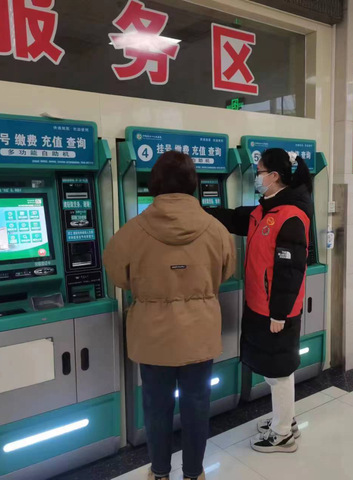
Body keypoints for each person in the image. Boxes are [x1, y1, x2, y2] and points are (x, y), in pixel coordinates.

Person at [103, 151, 236, 480]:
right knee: (197, 405)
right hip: (199, 333)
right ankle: (194, 473)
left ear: (154, 184)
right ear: (194, 183)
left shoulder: (131, 231)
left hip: (153, 335)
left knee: (156, 406)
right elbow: (227, 271)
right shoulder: (217, 229)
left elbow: (118, 276)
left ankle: (159, 472)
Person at [207, 147, 313, 454]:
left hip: (276, 311)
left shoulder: (290, 216)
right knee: (274, 369)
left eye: (260, 172)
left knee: (279, 373)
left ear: (274, 176)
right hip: (261, 306)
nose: (257, 177)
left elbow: (290, 272)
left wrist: (279, 314)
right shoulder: (264, 211)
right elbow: (233, 218)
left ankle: (282, 434)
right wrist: (196, 209)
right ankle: (286, 419)